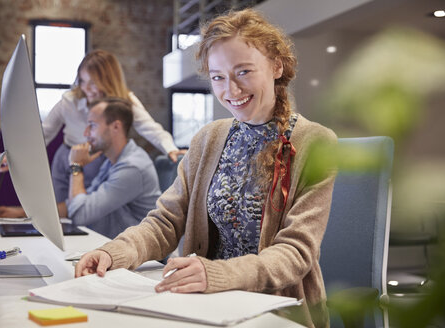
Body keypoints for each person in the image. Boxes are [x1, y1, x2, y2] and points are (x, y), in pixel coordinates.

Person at [75, 9, 337, 328]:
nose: (231, 90)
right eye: (218, 77)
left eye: (244, 71)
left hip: (278, 312)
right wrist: (116, 253)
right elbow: (165, 221)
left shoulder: (315, 143)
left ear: (276, 66)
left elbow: (296, 253)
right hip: (205, 306)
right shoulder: (208, 138)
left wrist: (216, 275)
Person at [0, 49, 185, 203]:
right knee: (61, 209)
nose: (86, 89)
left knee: (88, 213)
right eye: (83, 81)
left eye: (93, 83)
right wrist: (12, 158)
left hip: (98, 161)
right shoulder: (69, 100)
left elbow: (150, 128)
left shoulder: (123, 101)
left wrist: (171, 149)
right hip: (67, 157)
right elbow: (43, 134)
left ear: (108, 81)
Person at [0, 98, 161, 239]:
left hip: (146, 263)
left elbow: (80, 215)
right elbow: (75, 205)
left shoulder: (132, 167)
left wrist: (76, 166)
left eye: (92, 125)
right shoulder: (112, 162)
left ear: (116, 127)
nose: (86, 132)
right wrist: (21, 213)